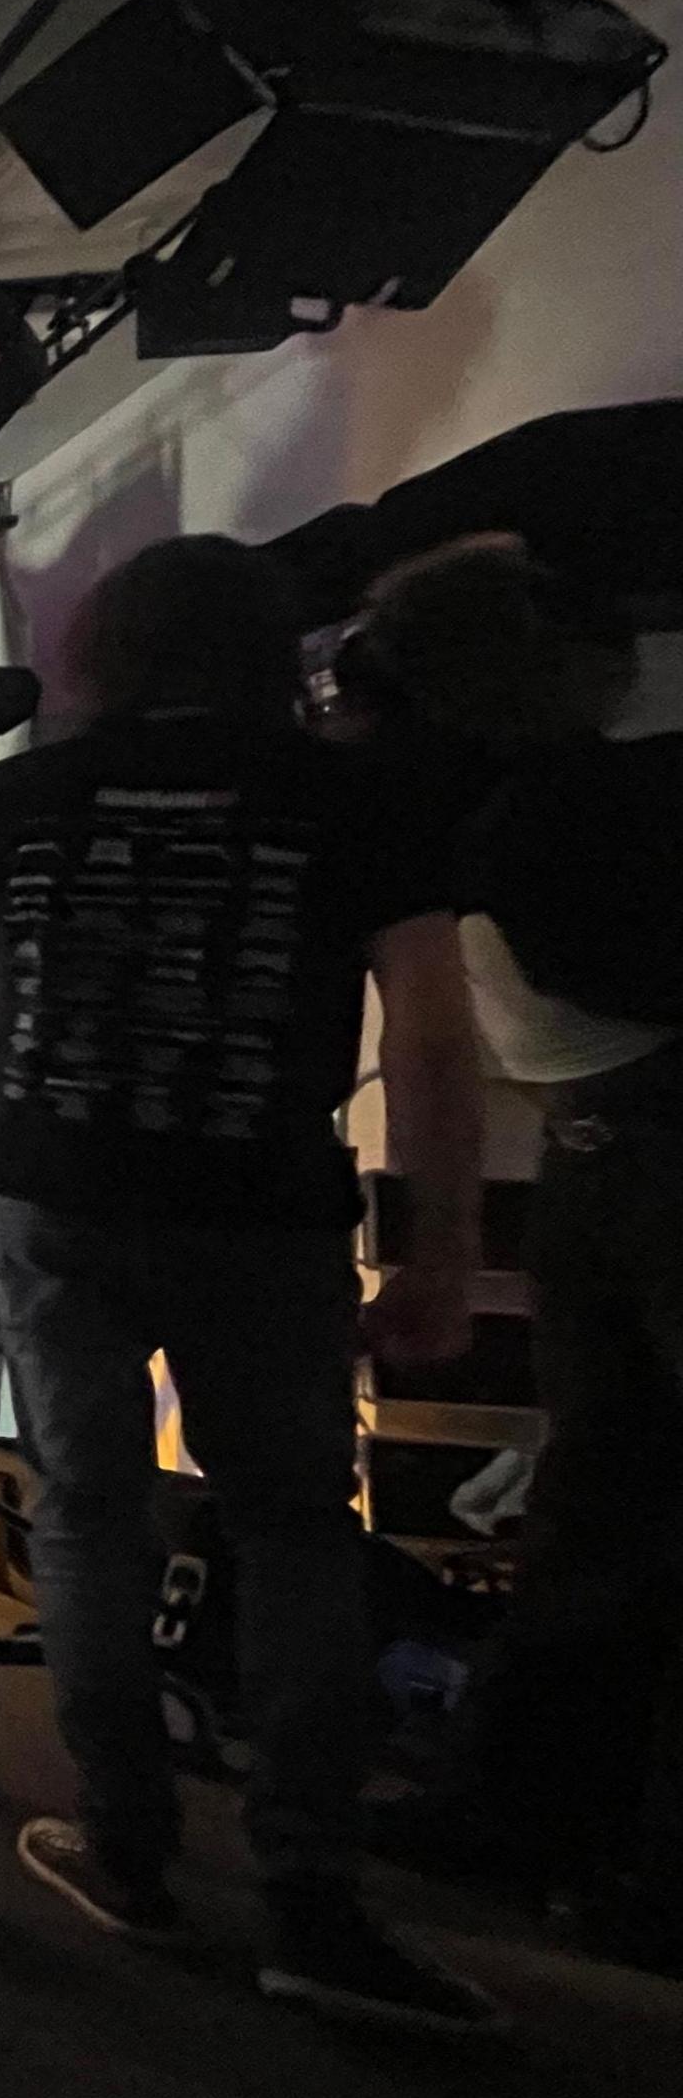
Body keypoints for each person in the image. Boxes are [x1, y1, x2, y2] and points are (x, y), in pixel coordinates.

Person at [0, 534, 501, 2035]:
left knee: (85, 1508)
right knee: (297, 1531)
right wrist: (439, 1250)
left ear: (101, 655)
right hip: (261, 1213)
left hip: (62, 1202)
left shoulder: (25, 794)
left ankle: (130, 1851)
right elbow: (427, 1035)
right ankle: (312, 1902)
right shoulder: (355, 798)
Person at [347, 533, 683, 1971]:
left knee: (609, 1503)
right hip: (612, 1157)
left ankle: (584, 1836)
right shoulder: (553, 797)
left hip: (631, 1155)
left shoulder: (495, 802)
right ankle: (528, 1811)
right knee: (600, 1502)